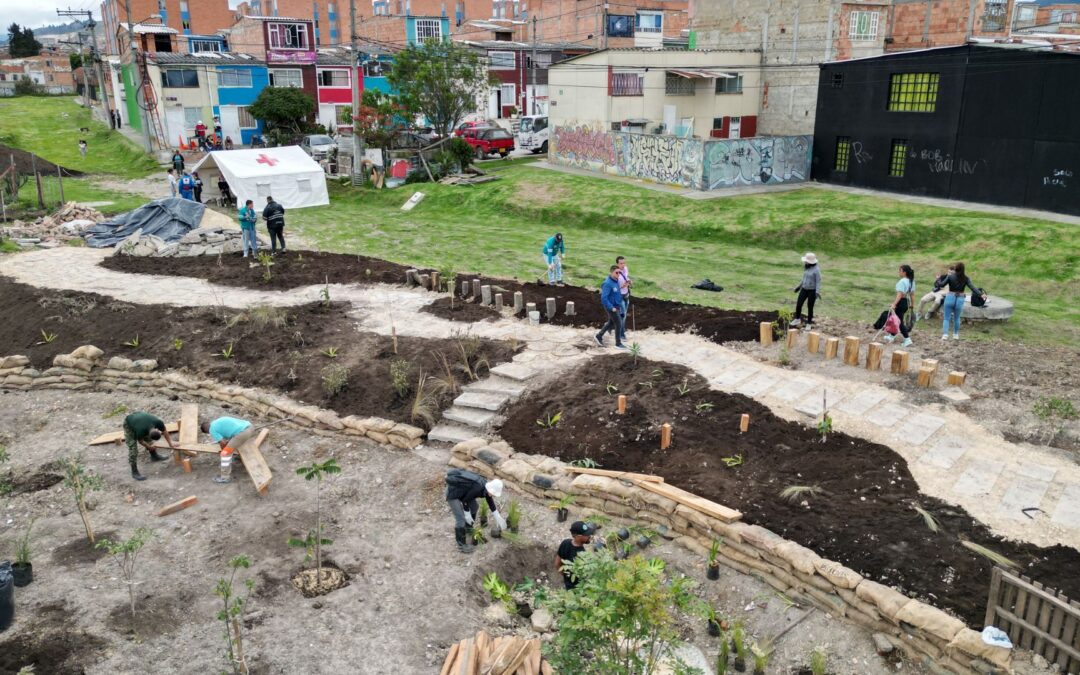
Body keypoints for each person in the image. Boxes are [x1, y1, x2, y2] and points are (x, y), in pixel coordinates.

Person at [444, 468, 506, 553]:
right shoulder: (478, 487)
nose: (494, 495)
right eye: (494, 493)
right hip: (453, 494)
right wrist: (467, 514)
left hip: (465, 493)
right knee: (460, 518)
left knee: (474, 507)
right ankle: (461, 545)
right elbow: (465, 500)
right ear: (491, 489)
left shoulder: (486, 486)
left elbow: (490, 500)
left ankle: (468, 528)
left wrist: (497, 515)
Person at [201, 416, 256, 485]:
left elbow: (223, 442)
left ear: (207, 431)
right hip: (250, 427)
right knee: (232, 444)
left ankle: (225, 477)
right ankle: (234, 459)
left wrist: (224, 450)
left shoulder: (212, 430)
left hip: (243, 434)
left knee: (225, 453)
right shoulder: (218, 421)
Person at [123, 411, 177, 481]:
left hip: (139, 418)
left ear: (158, 429)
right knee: (133, 449)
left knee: (149, 441)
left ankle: (154, 456)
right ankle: (134, 472)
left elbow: (165, 432)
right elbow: (140, 441)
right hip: (129, 423)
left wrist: (171, 444)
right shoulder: (140, 431)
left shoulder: (158, 422)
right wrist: (149, 447)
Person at [941, 262, 986, 341]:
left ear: (955, 269)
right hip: (960, 298)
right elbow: (973, 288)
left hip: (950, 297)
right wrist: (981, 294)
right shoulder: (966, 278)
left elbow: (941, 285)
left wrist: (938, 280)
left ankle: (945, 335)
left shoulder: (950, 276)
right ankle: (955, 335)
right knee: (957, 318)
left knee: (946, 318)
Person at [874, 264, 915, 347]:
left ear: (904, 272)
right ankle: (891, 336)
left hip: (901, 302)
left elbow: (899, 295)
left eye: (900, 271)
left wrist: (894, 304)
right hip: (906, 303)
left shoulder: (902, 281)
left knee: (899, 322)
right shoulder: (911, 281)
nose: (899, 272)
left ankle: (907, 339)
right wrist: (912, 305)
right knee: (896, 319)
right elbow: (912, 295)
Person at [555, 521, 594, 590]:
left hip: (568, 584)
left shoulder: (565, 543)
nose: (589, 536)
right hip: (578, 588)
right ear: (578, 536)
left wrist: (566, 578)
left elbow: (557, 564)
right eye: (586, 534)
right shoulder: (582, 555)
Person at [594, 265, 627, 350]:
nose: (618, 274)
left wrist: (623, 288)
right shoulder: (607, 283)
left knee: (611, 322)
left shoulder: (616, 281)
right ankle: (618, 343)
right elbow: (604, 298)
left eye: (620, 272)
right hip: (611, 307)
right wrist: (611, 307)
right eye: (616, 272)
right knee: (618, 323)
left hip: (616, 306)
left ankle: (598, 336)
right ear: (611, 272)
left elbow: (615, 292)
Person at [791, 252, 822, 329]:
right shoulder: (806, 267)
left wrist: (817, 292)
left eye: (806, 261)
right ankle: (797, 319)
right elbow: (804, 278)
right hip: (804, 289)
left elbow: (818, 281)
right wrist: (799, 287)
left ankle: (809, 323)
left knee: (810, 307)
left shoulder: (816, 270)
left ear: (810, 262)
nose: (805, 262)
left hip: (812, 291)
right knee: (799, 304)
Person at [615, 256, 631, 343]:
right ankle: (621, 334)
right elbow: (615, 287)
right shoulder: (616, 273)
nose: (623, 265)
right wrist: (623, 286)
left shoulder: (625, 269)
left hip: (626, 295)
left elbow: (626, 277)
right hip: (620, 297)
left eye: (624, 263)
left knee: (622, 316)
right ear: (617, 264)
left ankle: (609, 326)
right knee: (623, 316)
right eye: (621, 263)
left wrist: (629, 281)